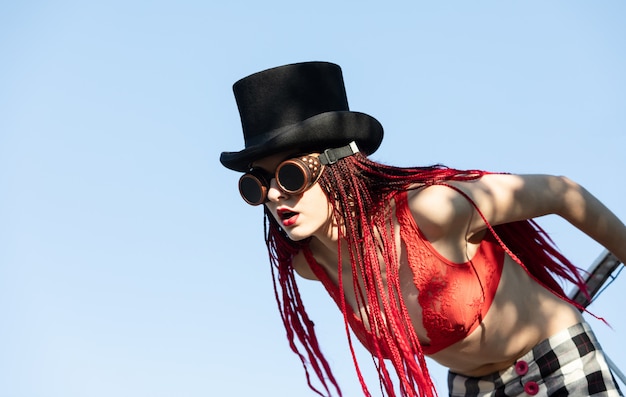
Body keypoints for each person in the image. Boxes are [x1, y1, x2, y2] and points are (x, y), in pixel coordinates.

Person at [219, 61, 625, 397]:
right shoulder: (311, 264)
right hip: (472, 389)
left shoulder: (432, 208)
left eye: (290, 175)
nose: (273, 195)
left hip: (558, 364)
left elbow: (564, 193)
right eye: (256, 183)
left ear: (340, 163)